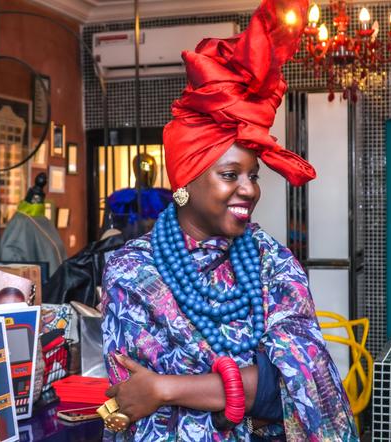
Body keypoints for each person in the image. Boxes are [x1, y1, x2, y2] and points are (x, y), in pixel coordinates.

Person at [99, 0, 358, 440]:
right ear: (186, 179)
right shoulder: (131, 272)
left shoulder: (272, 262)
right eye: (230, 174)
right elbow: (129, 397)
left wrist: (166, 388)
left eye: (253, 175)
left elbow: (303, 384)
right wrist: (245, 385)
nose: (250, 189)